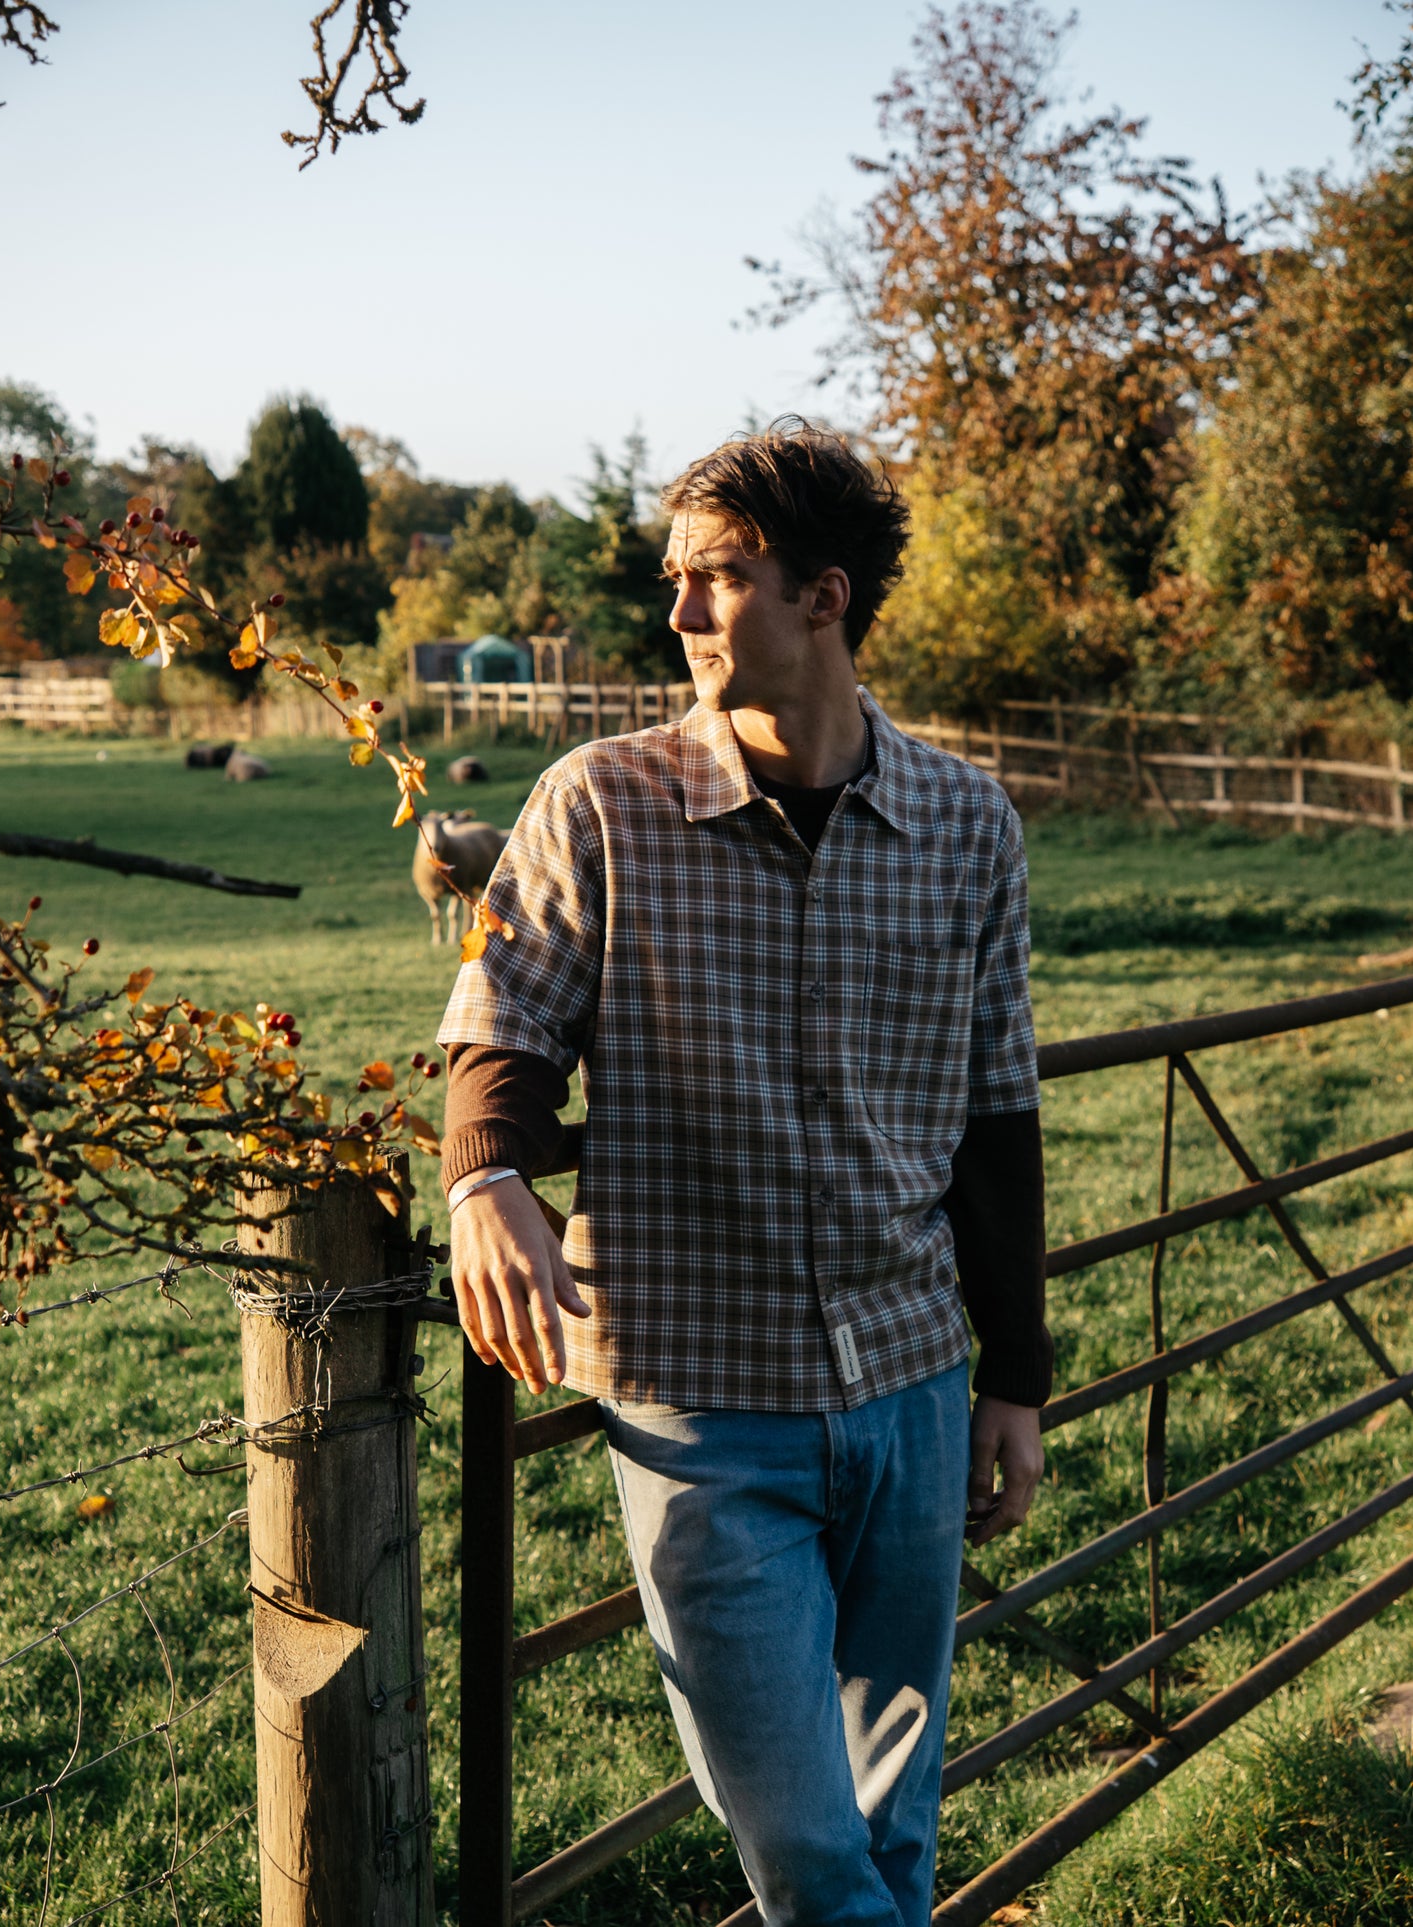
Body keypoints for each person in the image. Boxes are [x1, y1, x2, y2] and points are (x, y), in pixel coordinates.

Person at [438, 419, 1051, 1927]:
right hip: (699, 1401)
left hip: (912, 1382)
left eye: (712, 577)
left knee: (893, 1836)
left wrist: (1015, 1376)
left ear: (821, 596)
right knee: (806, 1851)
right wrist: (487, 1179)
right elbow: (504, 1020)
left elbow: (996, 1113)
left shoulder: (966, 821)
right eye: (675, 577)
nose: (678, 613)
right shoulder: (599, 801)